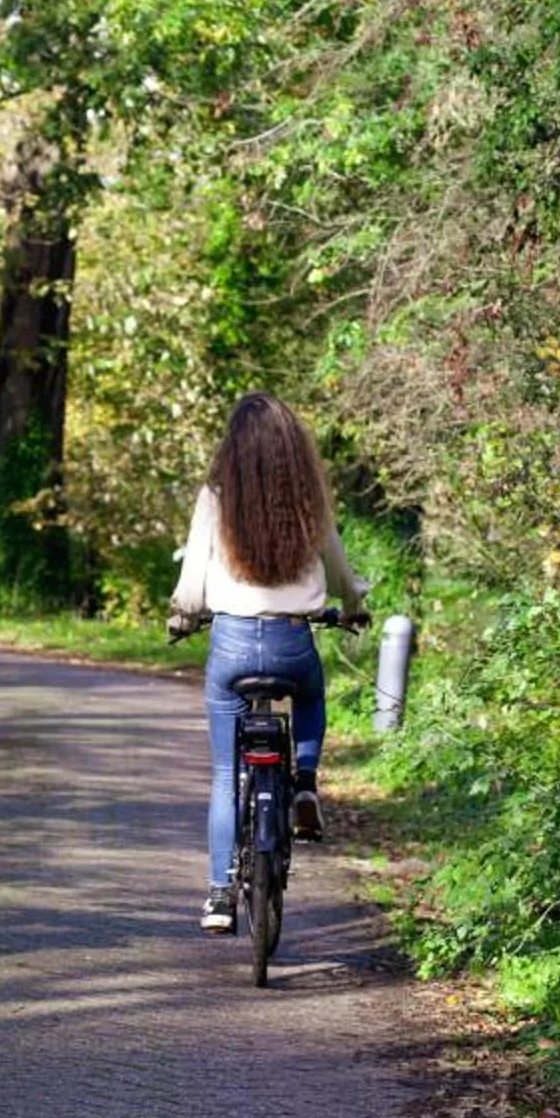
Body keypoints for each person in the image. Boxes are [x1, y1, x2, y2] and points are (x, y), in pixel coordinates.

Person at [168, 393, 368, 932]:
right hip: (292, 640)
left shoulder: (216, 496)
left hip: (231, 644)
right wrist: (354, 608)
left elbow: (192, 583)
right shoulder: (309, 499)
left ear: (232, 447)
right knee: (310, 695)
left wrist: (183, 617)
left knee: (224, 772)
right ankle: (303, 779)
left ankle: (217, 895)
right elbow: (343, 572)